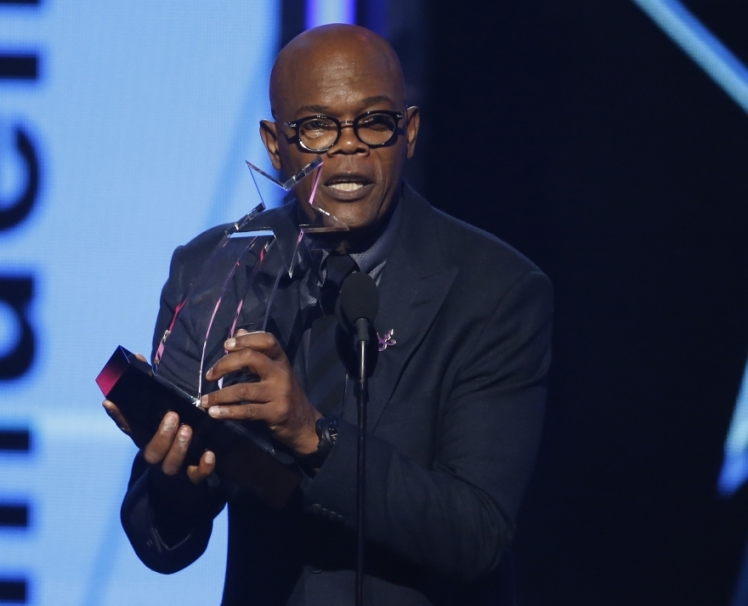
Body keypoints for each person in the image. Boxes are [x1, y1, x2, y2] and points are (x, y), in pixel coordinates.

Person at [103, 23, 552, 606]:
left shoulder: (497, 290)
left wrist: (313, 437)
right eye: (316, 125)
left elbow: (475, 536)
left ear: (408, 132)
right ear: (274, 143)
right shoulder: (214, 270)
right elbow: (160, 544)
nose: (348, 147)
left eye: (374, 122)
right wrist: (175, 480)